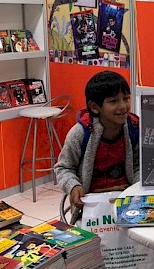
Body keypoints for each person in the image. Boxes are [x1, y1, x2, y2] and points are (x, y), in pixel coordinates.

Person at [54, 70, 139, 221]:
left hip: (129, 201)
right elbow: (63, 168)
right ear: (94, 107)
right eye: (113, 101)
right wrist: (73, 186)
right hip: (91, 205)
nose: (123, 106)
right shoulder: (80, 133)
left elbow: (140, 165)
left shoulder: (135, 128)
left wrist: (137, 188)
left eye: (126, 98)